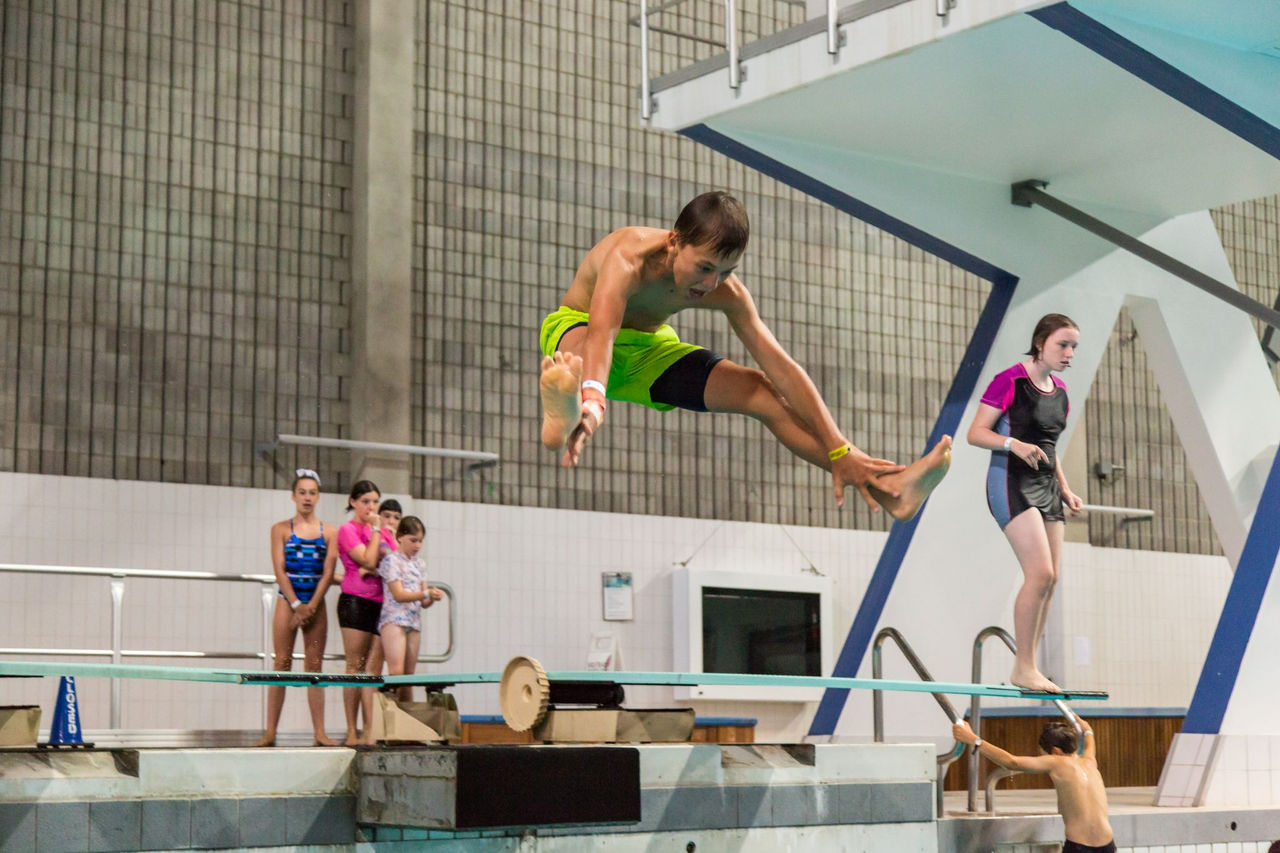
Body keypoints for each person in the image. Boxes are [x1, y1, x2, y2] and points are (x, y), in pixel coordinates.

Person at [538, 191, 951, 517]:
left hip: (650, 353)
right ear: (675, 241)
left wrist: (840, 448)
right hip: (579, 337)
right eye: (704, 267)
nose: (713, 281)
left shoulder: (726, 292)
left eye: (727, 271)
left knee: (761, 391)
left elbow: (782, 367)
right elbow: (602, 337)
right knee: (576, 359)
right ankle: (567, 412)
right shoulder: (628, 259)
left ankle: (890, 491)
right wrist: (595, 401)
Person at [967, 313, 1083, 692]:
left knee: (1052, 580)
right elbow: (975, 432)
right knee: (1041, 573)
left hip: (1047, 485)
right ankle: (1024, 666)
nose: (1069, 353)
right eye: (1062, 345)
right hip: (1011, 479)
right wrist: (1012, 443)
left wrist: (1064, 488)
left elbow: (1051, 446)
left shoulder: (1061, 392)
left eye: (1073, 347)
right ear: (1040, 343)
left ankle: (1029, 664)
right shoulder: (1010, 380)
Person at [254, 469, 339, 747]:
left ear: (318, 497)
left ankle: (319, 732)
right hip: (287, 600)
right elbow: (279, 570)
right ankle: (270, 732)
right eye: (302, 492)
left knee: (314, 666)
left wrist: (311, 606)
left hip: (316, 603)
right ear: (293, 496)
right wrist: (295, 605)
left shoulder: (329, 532)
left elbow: (328, 573)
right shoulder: (280, 529)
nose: (307, 498)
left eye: (312, 493)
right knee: (282, 663)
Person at [953, 716, 1114, 852]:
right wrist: (1087, 729)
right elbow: (1089, 739)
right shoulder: (1089, 761)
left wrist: (972, 739)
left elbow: (1011, 762)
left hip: (1080, 846)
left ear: (1055, 751)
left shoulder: (1056, 762)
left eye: (1043, 754)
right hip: (1108, 845)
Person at [336, 479, 395, 745]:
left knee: (373, 670)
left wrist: (384, 535)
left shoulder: (381, 532)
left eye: (375, 502)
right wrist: (375, 531)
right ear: (353, 502)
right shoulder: (348, 530)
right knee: (354, 667)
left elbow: (394, 563)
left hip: (381, 603)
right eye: (365, 502)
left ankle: (371, 729)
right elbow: (369, 559)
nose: (371, 507)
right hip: (355, 602)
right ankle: (352, 730)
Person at [377, 515, 444, 703]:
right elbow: (398, 594)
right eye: (413, 540)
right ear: (400, 537)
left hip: (413, 621)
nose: (417, 545)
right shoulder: (391, 561)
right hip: (394, 620)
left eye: (420, 541)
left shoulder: (419, 564)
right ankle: (389, 721)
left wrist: (432, 597)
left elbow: (424, 601)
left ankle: (406, 725)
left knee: (409, 677)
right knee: (396, 674)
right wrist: (425, 594)